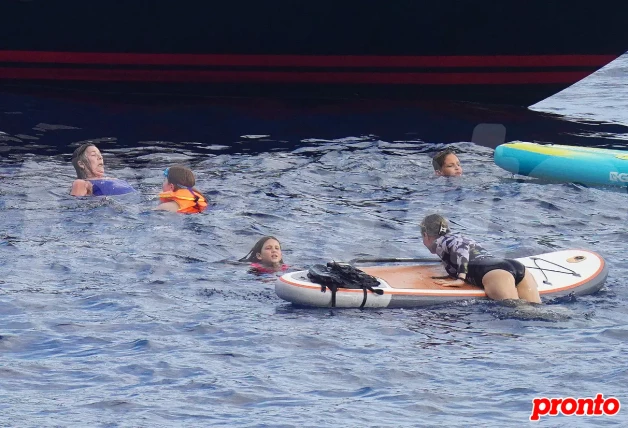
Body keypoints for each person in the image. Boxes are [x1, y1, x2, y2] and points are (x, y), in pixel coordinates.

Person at [420, 214, 541, 303]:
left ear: (426, 235)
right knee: (534, 312)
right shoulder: (459, 237)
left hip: (494, 274)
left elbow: (462, 250)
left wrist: (460, 279)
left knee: (517, 314)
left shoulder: (441, 242)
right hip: (514, 266)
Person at [70, 143, 135, 196]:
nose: (100, 157)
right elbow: (77, 205)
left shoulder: (113, 179)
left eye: (100, 154)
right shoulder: (81, 183)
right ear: (81, 164)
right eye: (93, 155)